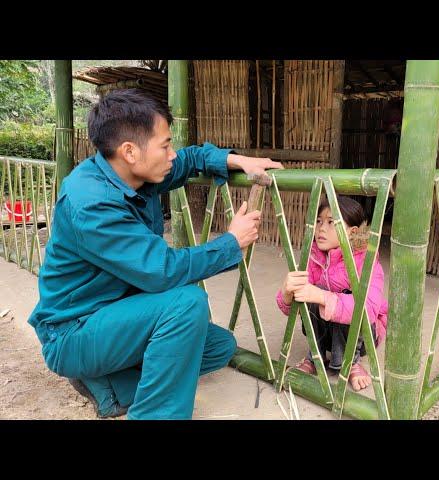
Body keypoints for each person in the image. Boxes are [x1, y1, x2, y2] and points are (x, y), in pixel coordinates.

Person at [28, 89, 283, 419]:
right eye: (165, 145)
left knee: (218, 346)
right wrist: (231, 243)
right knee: (186, 304)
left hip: (114, 316)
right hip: (73, 332)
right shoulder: (92, 203)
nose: (172, 154)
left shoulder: (132, 174)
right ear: (131, 151)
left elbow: (189, 159)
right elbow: (161, 271)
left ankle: (109, 384)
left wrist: (235, 160)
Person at [275, 195, 388, 391]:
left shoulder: (366, 261)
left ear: (352, 232)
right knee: (308, 292)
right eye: (318, 221)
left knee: (337, 295)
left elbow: (368, 310)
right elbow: (292, 308)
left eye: (331, 222)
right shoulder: (313, 257)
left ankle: (351, 362)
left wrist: (321, 296)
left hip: (361, 336)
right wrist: (286, 293)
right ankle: (315, 356)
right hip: (327, 333)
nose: (321, 228)